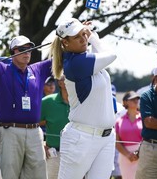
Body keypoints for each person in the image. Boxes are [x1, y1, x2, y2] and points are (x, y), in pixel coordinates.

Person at [0, 2, 51, 179]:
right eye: (23, 49)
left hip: (35, 133)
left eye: (30, 49)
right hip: (10, 132)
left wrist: (75, 35)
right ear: (13, 52)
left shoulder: (38, 69)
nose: (27, 52)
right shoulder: (2, 69)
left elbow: (59, 56)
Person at [50, 18, 117, 179]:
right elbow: (111, 54)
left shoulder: (85, 59)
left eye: (84, 34)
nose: (83, 39)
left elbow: (98, 53)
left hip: (106, 138)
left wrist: (90, 34)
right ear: (65, 42)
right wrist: (93, 35)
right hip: (81, 139)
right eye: (77, 37)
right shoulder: (75, 63)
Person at [40, 75, 70, 179]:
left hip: (77, 155)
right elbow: (31, 125)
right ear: (60, 82)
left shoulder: (83, 102)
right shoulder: (47, 102)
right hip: (54, 155)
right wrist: (41, 144)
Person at [115, 91, 142, 179]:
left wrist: (139, 153)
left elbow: (147, 138)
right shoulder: (119, 121)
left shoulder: (144, 119)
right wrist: (128, 155)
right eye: (132, 99)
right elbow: (117, 142)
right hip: (125, 157)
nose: (136, 100)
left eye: (137, 98)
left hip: (143, 155)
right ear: (125, 102)